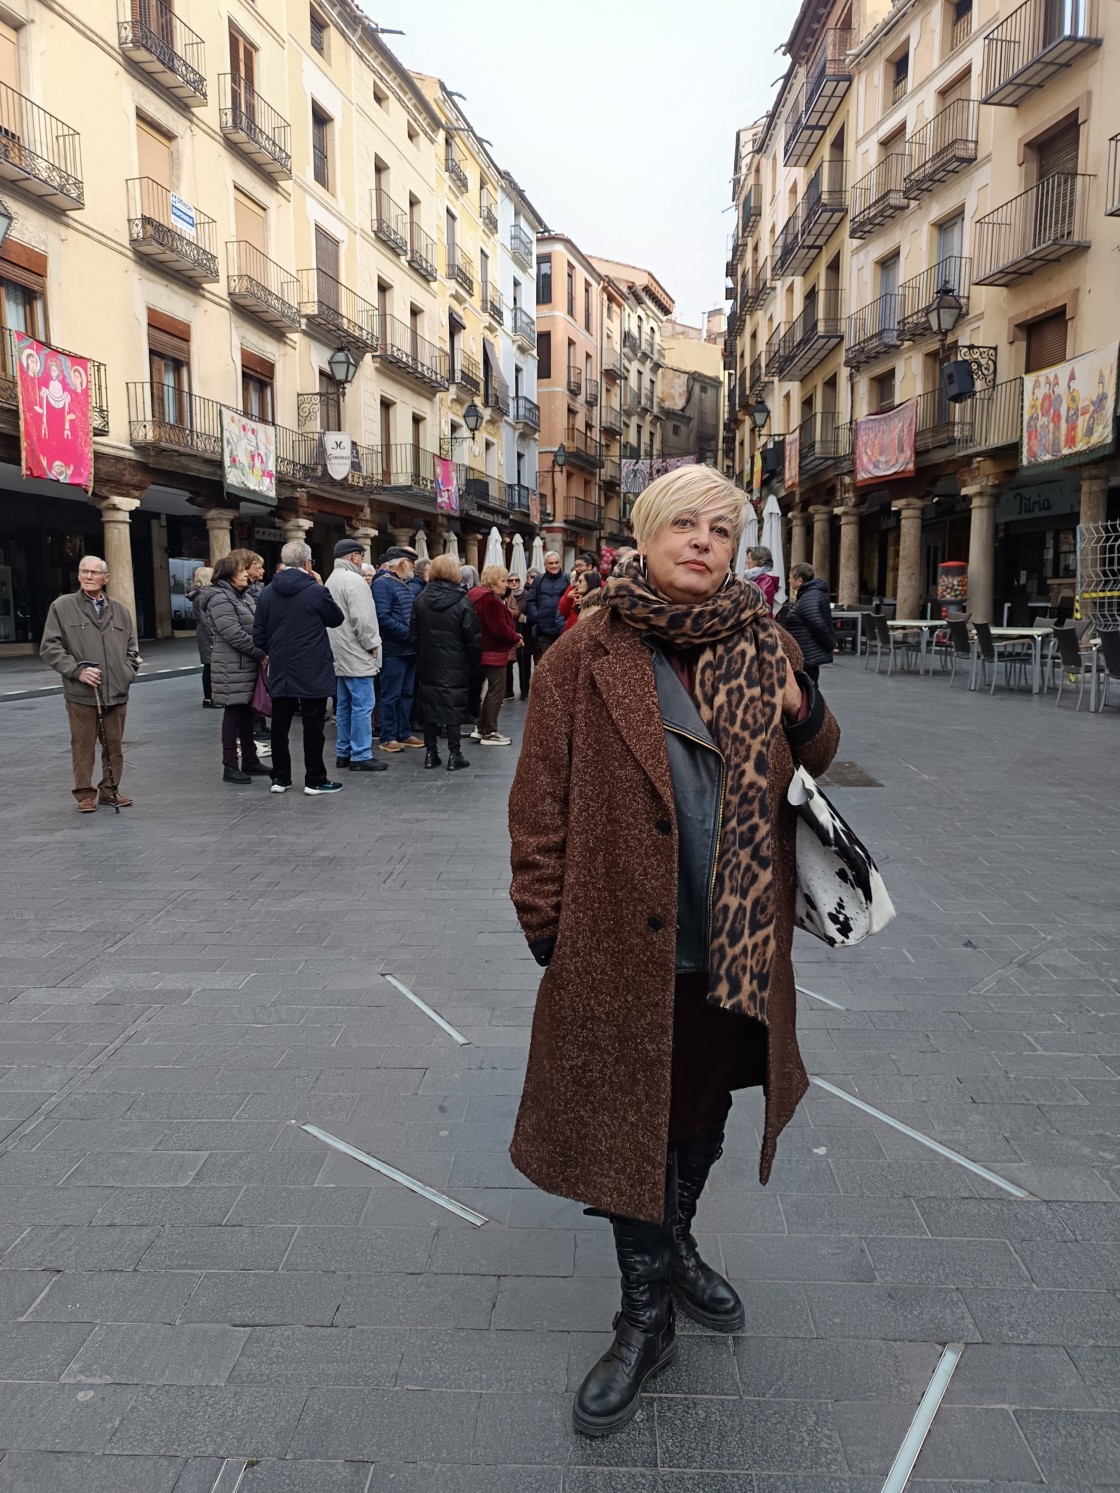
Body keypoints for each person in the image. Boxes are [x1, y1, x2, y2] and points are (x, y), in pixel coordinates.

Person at [508, 465, 839, 1437]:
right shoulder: (583, 654)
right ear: (645, 538)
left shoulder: (763, 641)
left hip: (734, 940)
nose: (703, 541)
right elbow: (538, 806)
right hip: (620, 940)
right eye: (683, 525)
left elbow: (817, 755)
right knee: (630, 1123)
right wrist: (548, 929)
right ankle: (643, 1314)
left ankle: (678, 1241)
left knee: (696, 1105)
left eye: (721, 531)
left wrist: (799, 706)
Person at [39, 554, 141, 812]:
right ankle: (84, 794)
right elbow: (50, 648)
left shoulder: (119, 609)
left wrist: (128, 672)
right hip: (81, 692)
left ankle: (110, 790)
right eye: (84, 571)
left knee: (115, 746)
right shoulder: (62, 606)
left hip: (117, 690)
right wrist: (76, 671)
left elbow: (132, 648)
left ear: (105, 578)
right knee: (82, 745)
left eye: (94, 572)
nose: (88, 576)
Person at [252, 540, 345, 795]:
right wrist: (321, 585)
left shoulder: (267, 592)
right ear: (308, 563)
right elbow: (336, 619)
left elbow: (258, 635)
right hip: (312, 666)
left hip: (281, 667)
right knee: (313, 725)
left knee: (280, 725)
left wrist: (276, 650)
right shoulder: (315, 591)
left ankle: (280, 778)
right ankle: (314, 779)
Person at [408, 552, 482, 771]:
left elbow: (413, 634)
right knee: (453, 707)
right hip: (456, 663)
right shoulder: (462, 601)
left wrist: (423, 653)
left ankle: (431, 754)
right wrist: (474, 664)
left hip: (428, 662)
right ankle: (454, 754)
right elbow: (474, 638)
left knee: (430, 707)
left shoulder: (421, 599)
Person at [206, 549, 271, 785]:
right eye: (242, 570)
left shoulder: (243, 595)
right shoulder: (220, 598)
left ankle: (250, 759)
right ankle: (230, 765)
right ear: (229, 573)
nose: (246, 575)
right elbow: (233, 633)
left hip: (246, 664)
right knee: (233, 714)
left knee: (246, 714)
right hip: (233, 665)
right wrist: (259, 653)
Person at [325, 539, 386, 775]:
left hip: (339, 651)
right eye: (361, 556)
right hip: (356, 651)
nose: (362, 561)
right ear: (354, 557)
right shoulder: (354, 581)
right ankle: (361, 753)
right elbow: (364, 619)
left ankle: (344, 751)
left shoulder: (332, 579)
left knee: (344, 704)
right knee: (363, 705)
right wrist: (372, 645)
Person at [372, 548, 424, 755]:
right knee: (391, 694)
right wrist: (408, 634)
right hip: (395, 649)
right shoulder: (383, 584)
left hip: (408, 649)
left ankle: (404, 732)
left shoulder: (403, 584)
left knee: (406, 693)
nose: (413, 567)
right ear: (403, 563)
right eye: (411, 563)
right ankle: (388, 736)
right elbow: (383, 617)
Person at [468, 564, 522, 747]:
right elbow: (498, 628)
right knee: (496, 691)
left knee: (492, 691)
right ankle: (489, 732)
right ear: (492, 581)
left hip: (481, 649)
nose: (506, 584)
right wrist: (516, 637)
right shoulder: (489, 600)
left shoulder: (477, 595)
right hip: (492, 650)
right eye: (503, 580)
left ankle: (481, 727)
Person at [782, 561, 835, 683]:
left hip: (808, 653)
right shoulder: (810, 594)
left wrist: (830, 644)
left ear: (799, 581)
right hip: (807, 652)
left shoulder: (809, 596)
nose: (789, 580)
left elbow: (817, 623)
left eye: (790, 577)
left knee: (808, 688)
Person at [525, 551, 568, 659]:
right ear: (545, 565)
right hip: (543, 630)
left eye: (556, 562)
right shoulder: (538, 580)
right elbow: (531, 600)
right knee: (546, 664)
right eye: (551, 563)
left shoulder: (567, 579)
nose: (554, 566)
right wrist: (536, 616)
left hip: (563, 629)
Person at [187, 566, 215, 707]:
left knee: (209, 665)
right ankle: (209, 698)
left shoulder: (199, 594)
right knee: (210, 666)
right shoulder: (204, 595)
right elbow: (206, 619)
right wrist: (213, 638)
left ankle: (209, 697)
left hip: (203, 632)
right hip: (206, 633)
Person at [745, 545, 780, 616]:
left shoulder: (766, 580)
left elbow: (757, 604)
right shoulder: (757, 577)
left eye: (748, 558)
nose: (746, 562)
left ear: (757, 561)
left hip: (760, 623)